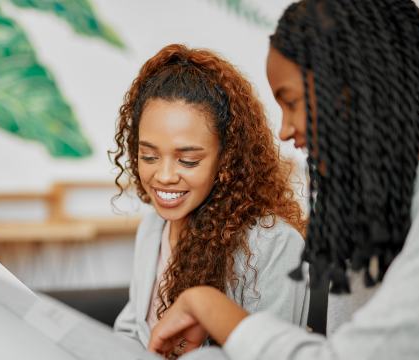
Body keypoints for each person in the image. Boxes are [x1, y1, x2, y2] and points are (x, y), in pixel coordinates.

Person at [148, 0, 419, 359]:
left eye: (291, 102)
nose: (284, 130)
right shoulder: (372, 202)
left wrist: (208, 306)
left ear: (353, 87)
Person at [110, 44, 310, 352]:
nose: (163, 176)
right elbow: (133, 326)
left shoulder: (272, 245)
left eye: (188, 161)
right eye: (148, 156)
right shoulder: (153, 228)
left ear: (226, 159)